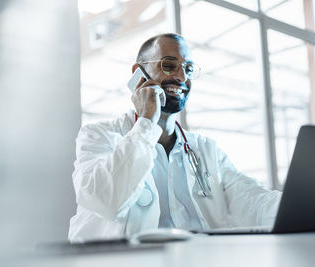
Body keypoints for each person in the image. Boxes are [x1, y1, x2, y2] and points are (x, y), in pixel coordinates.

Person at [68, 33, 281, 242]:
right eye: (169, 65)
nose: (181, 77)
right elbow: (106, 201)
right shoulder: (98, 135)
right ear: (138, 73)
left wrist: (302, 205)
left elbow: (254, 201)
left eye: (188, 69)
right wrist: (146, 121)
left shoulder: (206, 149)